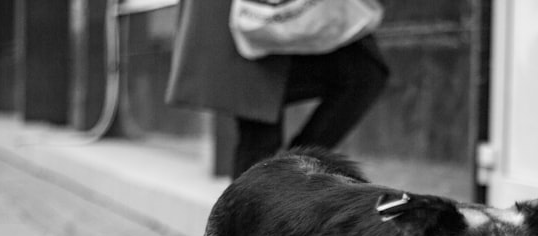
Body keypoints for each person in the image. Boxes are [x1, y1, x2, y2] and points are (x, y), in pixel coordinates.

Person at [166, 0, 390, 179]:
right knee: (258, 126)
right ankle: (282, 185)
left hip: (270, 18)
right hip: (242, 16)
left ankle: (291, 174)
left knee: (364, 73)